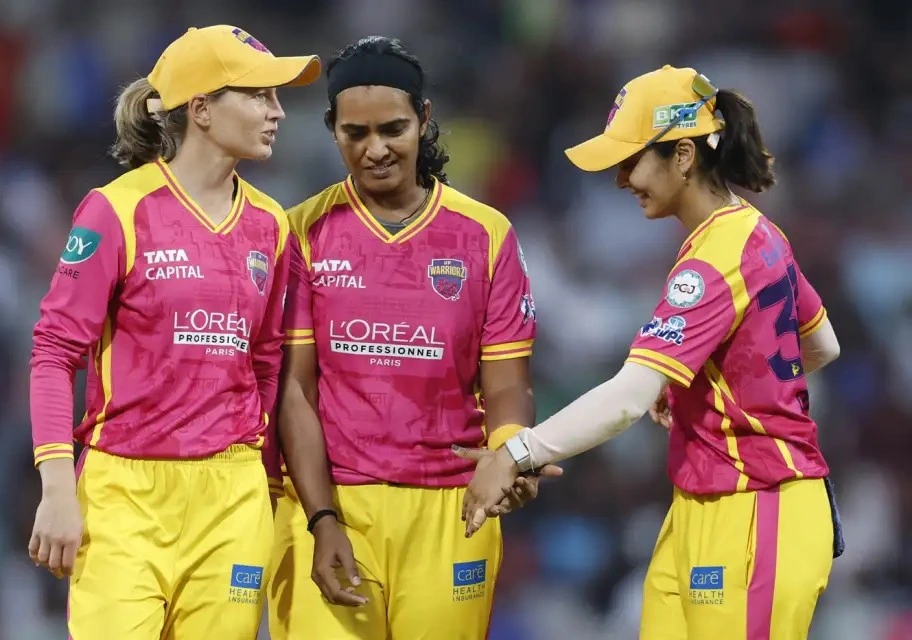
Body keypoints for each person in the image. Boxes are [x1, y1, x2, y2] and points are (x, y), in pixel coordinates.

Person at [461, 65, 845, 640]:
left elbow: (627, 398)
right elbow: (820, 343)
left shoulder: (714, 260)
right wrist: (698, 384)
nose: (622, 180)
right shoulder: (757, 234)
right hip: (704, 507)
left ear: (683, 156)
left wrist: (516, 453)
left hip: (756, 510)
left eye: (631, 161)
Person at [27, 25, 320, 639]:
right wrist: (56, 488)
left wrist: (267, 485)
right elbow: (54, 351)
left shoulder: (271, 224)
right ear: (202, 108)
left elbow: (266, 365)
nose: (277, 112)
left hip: (233, 496)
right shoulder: (116, 209)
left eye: (277, 98)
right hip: (125, 493)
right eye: (259, 96)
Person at [266, 35, 560, 640]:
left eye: (393, 129)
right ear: (332, 130)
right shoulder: (300, 232)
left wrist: (508, 453)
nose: (375, 149)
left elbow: (507, 383)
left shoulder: (486, 235)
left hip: (451, 511)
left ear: (424, 119)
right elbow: (294, 390)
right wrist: (321, 518)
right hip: (330, 506)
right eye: (355, 133)